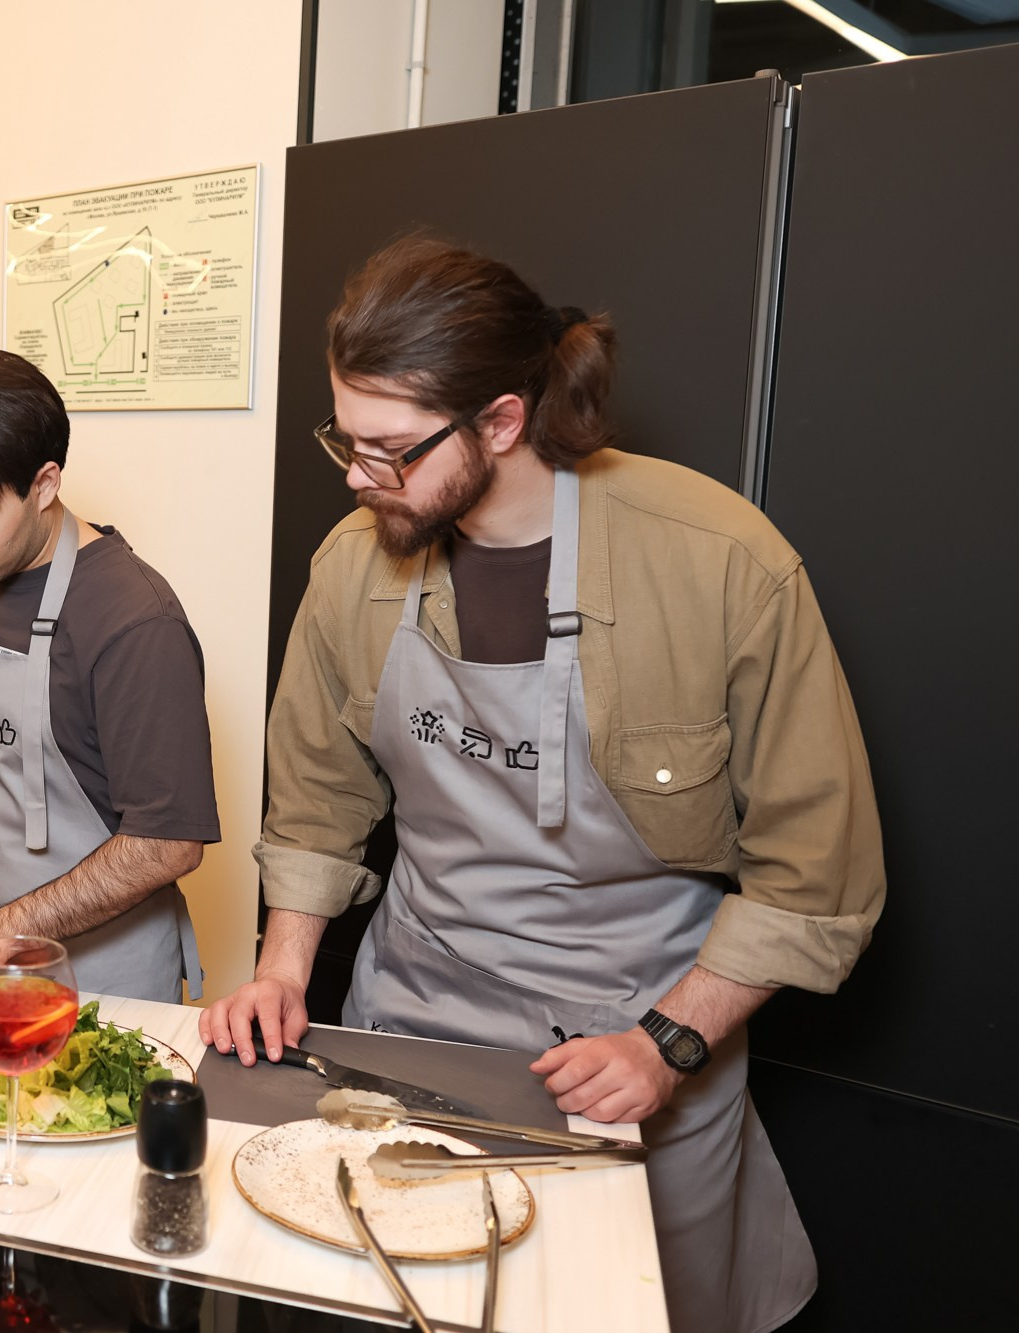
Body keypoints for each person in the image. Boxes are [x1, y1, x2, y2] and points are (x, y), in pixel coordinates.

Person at [199, 237, 884, 1333]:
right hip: (410, 1028)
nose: (353, 474)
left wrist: (663, 1045)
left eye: (386, 448)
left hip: (634, 1048)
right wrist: (282, 968)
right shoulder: (351, 566)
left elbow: (815, 881)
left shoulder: (717, 562)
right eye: (344, 437)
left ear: (501, 422)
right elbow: (316, 800)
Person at [0, 350, 219, 1019]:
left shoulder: (133, 620)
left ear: (44, 483)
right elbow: (27, 710)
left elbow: (169, 843)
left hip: (96, 992)